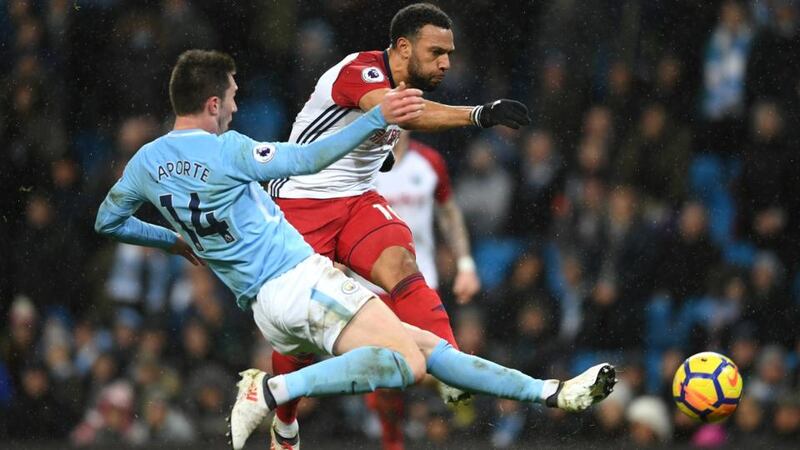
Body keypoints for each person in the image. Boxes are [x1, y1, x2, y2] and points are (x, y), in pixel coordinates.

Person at [94, 49, 616, 450]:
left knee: (431, 353)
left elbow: (108, 220)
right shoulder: (229, 150)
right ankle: (273, 392)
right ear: (212, 103)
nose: (235, 104)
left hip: (266, 309)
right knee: (409, 365)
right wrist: (374, 119)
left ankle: (551, 393)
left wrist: (176, 241)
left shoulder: (143, 162)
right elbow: (308, 161)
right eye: (230, 95)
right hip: (300, 281)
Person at [266, 4, 529, 446]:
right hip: (302, 204)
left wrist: (463, 260)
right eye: (436, 52)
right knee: (300, 336)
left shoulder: (424, 147)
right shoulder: (360, 72)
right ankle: (285, 420)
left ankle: (452, 368)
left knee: (403, 267)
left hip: (355, 203)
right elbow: (398, 114)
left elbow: (444, 205)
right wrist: (479, 114)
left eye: (450, 52)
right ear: (403, 48)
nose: (446, 62)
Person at [366, 131, 480, 449]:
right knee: (385, 377)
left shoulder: (429, 162)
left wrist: (466, 264)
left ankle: (461, 425)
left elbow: (449, 212)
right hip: (371, 286)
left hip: (420, 282)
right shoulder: (360, 162)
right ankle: (393, 440)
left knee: (441, 359)